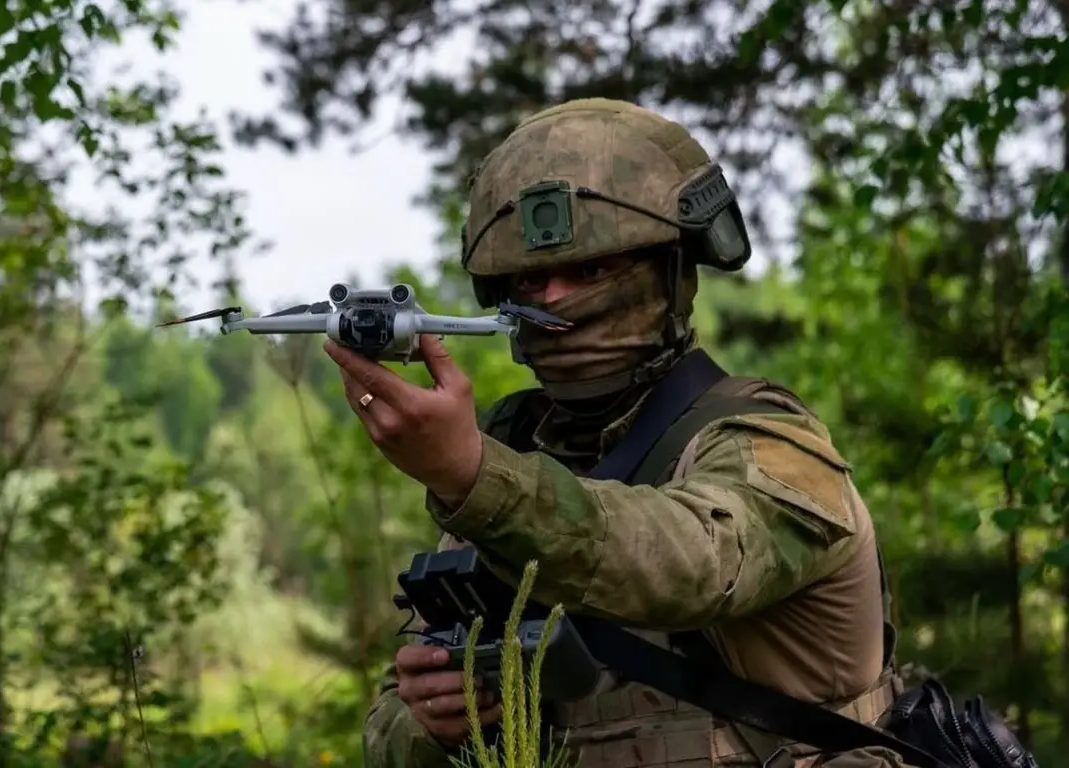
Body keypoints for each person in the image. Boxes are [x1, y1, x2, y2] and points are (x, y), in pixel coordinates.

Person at [323, 98, 910, 768]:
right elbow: (389, 729)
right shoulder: (519, 454)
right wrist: (432, 721)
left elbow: (688, 566)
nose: (555, 299)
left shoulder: (769, 444)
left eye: (592, 270)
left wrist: (471, 475)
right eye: (531, 279)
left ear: (670, 269)